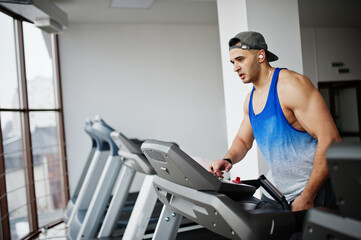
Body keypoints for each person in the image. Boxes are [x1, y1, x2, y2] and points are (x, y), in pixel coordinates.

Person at [208, 31, 341, 212]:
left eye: (240, 59)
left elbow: (331, 141)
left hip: (310, 192)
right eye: (233, 62)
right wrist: (228, 158)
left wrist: (308, 196)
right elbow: (243, 141)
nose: (235, 68)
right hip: (275, 194)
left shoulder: (292, 85)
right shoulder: (250, 99)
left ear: (261, 55)